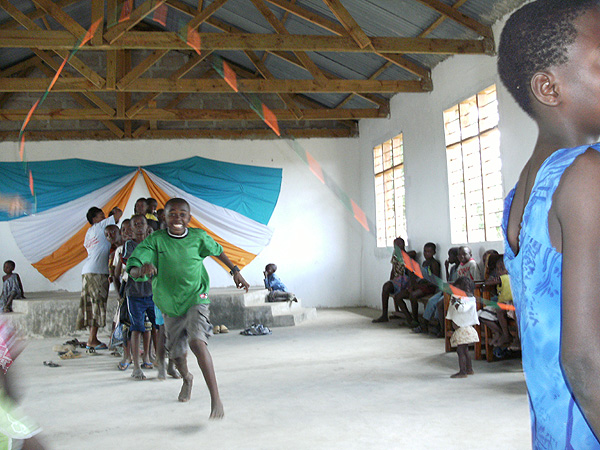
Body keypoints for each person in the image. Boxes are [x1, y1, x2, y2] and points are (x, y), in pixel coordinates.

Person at [498, 1, 600, 446]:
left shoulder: (525, 187)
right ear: (548, 87)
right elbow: (583, 357)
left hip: (556, 429)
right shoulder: (586, 175)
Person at [126, 197, 249, 419]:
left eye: (182, 214)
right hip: (170, 304)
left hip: (196, 296)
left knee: (197, 341)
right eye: (172, 213)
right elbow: (133, 266)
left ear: (189, 218)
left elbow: (217, 250)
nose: (177, 218)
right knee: (177, 354)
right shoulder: (156, 241)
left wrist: (235, 271)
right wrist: (141, 270)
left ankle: (216, 398)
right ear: (164, 217)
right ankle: (187, 378)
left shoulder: (198, 237)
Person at [77, 206, 122, 350]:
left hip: (88, 271)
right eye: (101, 216)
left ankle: (92, 338)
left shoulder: (89, 232)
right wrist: (112, 214)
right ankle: (92, 340)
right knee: (97, 304)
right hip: (97, 272)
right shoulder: (101, 226)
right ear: (94, 219)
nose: (104, 218)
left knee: (90, 305)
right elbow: (118, 214)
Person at [122, 215, 155, 380]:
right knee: (136, 328)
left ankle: (156, 360)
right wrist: (144, 268)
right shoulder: (129, 245)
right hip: (135, 293)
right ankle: (136, 367)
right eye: (136, 224)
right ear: (131, 229)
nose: (139, 226)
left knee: (157, 328)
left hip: (153, 292)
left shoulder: (153, 243)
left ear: (147, 225)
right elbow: (132, 266)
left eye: (142, 223)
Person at [414, 247, 459, 335]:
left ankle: (440, 328)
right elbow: (449, 280)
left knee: (440, 302)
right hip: (448, 289)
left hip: (454, 292)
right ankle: (425, 324)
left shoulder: (461, 268)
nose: (449, 258)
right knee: (431, 301)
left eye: (451, 256)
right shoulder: (453, 268)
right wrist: (446, 268)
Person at [445, 276, 479, 379]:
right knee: (465, 350)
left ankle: (463, 371)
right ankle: (469, 369)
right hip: (462, 330)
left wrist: (456, 302)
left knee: (460, 351)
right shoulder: (462, 298)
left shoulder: (469, 300)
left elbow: (461, 309)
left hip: (464, 330)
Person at [372, 237, 411, 323]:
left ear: (403, 245)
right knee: (386, 287)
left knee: (395, 293)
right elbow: (393, 269)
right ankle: (384, 315)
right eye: (395, 245)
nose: (397, 246)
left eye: (399, 244)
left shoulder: (408, 255)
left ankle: (409, 318)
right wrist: (391, 280)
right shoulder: (395, 255)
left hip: (405, 280)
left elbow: (411, 271)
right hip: (396, 280)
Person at [407, 242, 441, 325]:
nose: (426, 254)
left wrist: (420, 284)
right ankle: (411, 318)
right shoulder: (424, 263)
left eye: (429, 252)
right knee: (405, 293)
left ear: (434, 253)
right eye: (425, 251)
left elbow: (435, 280)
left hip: (431, 287)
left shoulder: (434, 263)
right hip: (423, 285)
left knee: (413, 295)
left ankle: (415, 320)